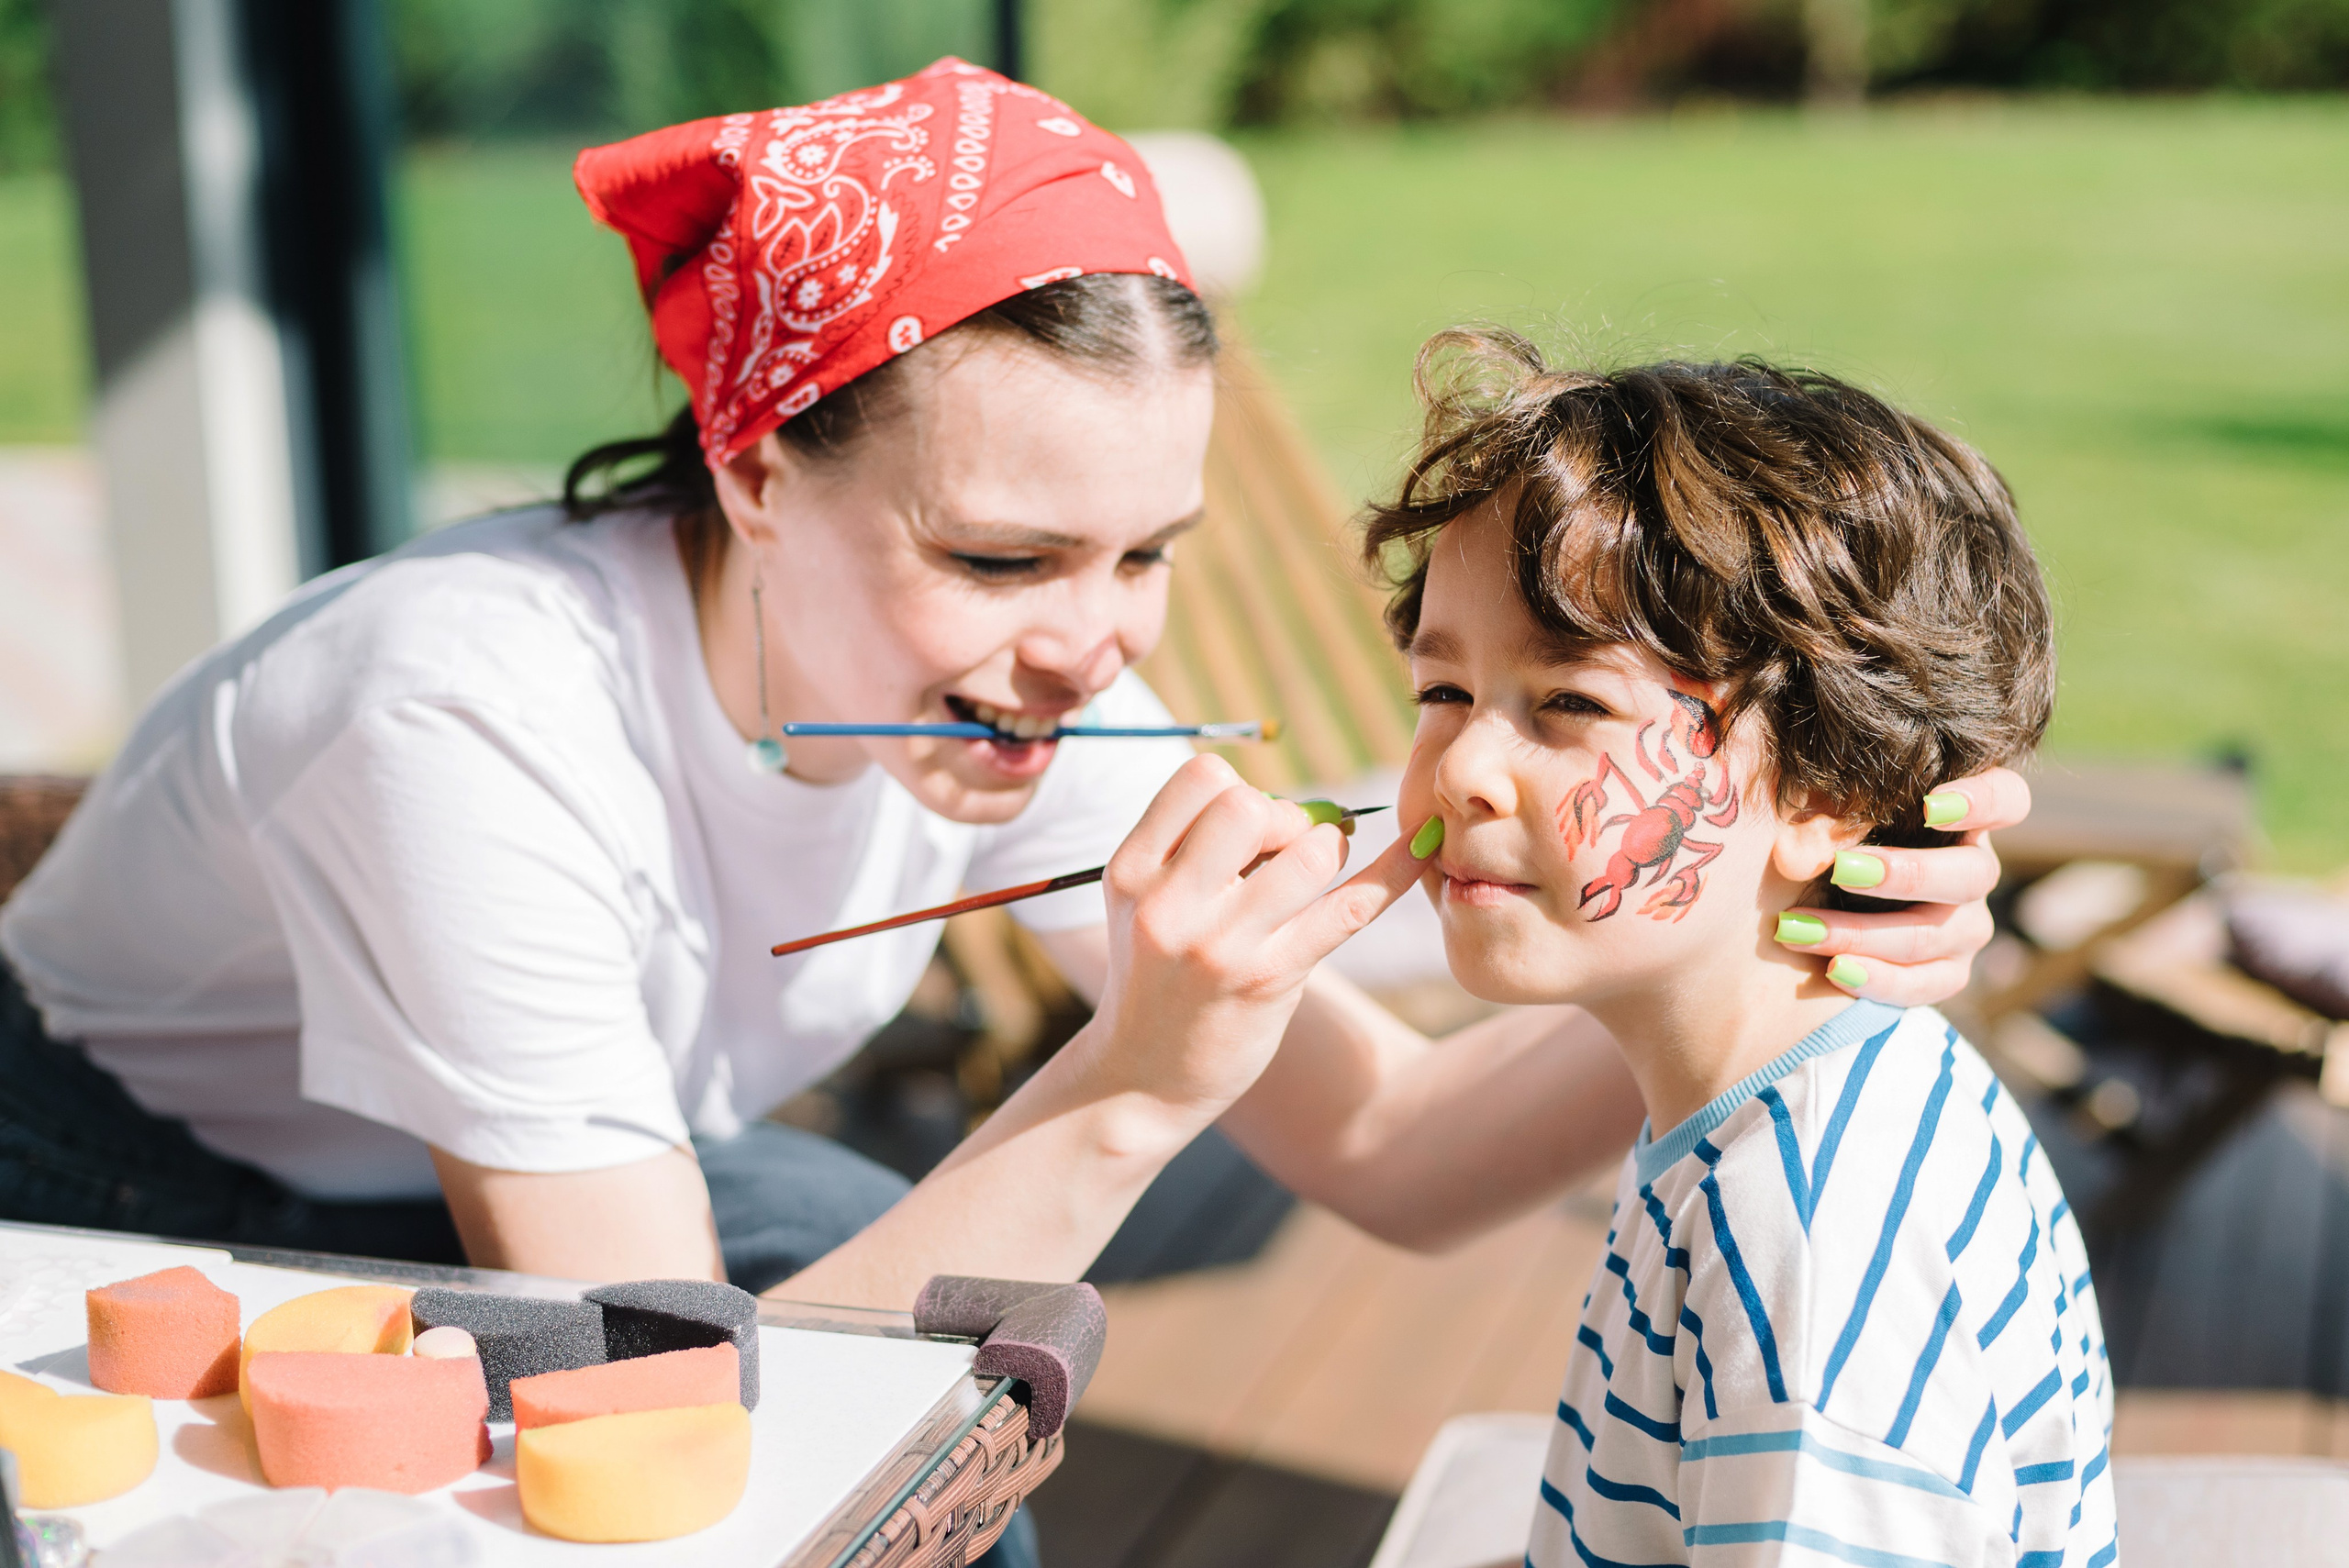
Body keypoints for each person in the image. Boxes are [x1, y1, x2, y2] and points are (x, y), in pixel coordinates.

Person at [0, 60, 2024, 1323]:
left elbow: (1395, 1159)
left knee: (970, 1375)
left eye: (1148, 552)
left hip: (576, 1193)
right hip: (114, 1183)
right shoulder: (450, 721)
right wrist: (1138, 1079)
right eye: (999, 557)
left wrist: (1779, 944)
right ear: (754, 468)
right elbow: (654, 1431)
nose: (1097, 641)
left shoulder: (1010, 698)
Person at [1137, 335, 2107, 1564]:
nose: (1467, 768)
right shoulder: (1770, 1109)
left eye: (1569, 703)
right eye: (1443, 693)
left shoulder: (1809, 1255)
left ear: (1830, 783)